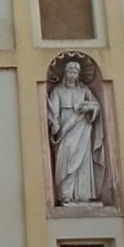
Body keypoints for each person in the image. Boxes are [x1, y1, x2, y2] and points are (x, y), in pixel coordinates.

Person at [47, 60, 105, 205]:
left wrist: (88, 107)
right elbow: (53, 113)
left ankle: (83, 195)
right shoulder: (57, 91)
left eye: (75, 72)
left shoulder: (84, 90)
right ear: (65, 73)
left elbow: (96, 105)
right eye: (70, 72)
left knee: (83, 160)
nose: (72, 75)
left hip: (82, 127)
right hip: (66, 130)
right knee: (67, 160)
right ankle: (66, 195)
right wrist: (55, 124)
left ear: (78, 74)